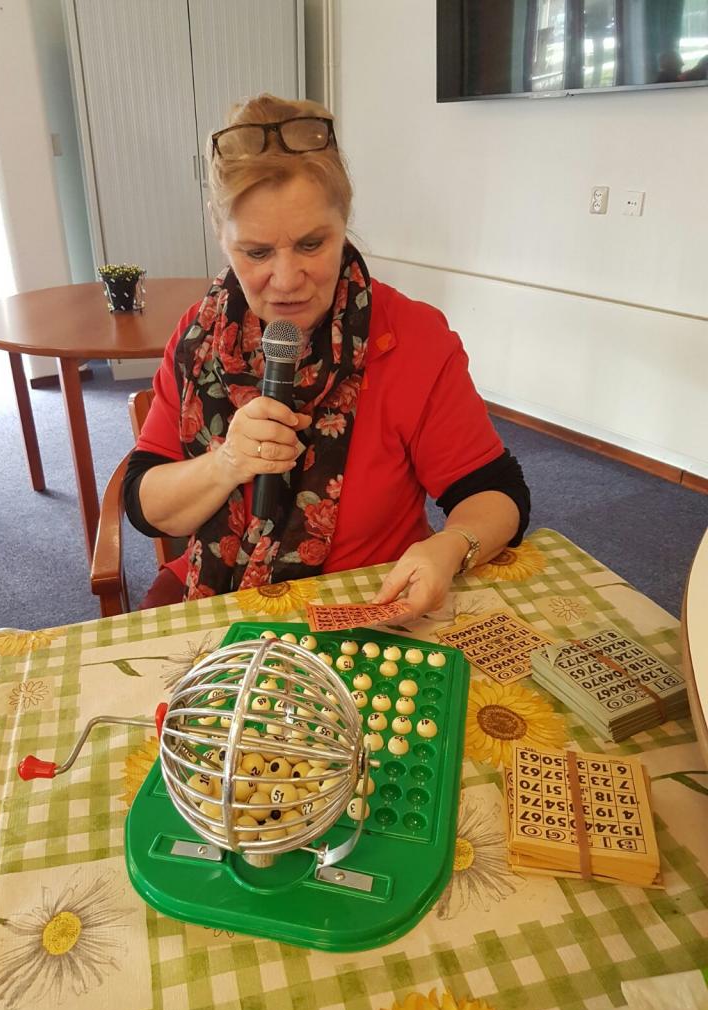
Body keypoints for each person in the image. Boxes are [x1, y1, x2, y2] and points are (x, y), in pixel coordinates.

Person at [123, 94, 530, 618]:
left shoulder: (412, 337)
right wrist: (227, 464)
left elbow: (495, 491)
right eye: (257, 252)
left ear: (344, 221)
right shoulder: (198, 337)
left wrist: (450, 547)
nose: (287, 280)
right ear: (221, 236)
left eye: (312, 245)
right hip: (220, 599)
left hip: (363, 603)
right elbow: (146, 504)